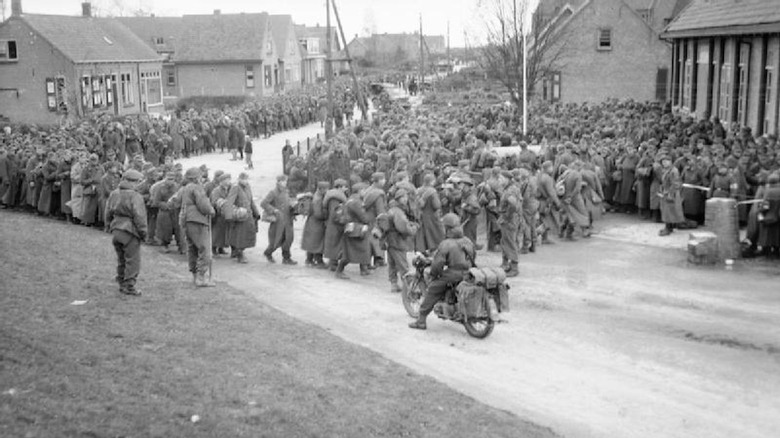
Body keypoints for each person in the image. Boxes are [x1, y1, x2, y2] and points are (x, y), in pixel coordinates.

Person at [408, 213, 475, 330]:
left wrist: (434, 275)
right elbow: (473, 256)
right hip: (468, 273)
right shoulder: (467, 241)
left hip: (453, 274)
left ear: (448, 229)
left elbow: (437, 265)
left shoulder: (446, 243)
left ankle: (421, 320)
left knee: (433, 289)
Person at [104, 169, 147, 296]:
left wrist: (108, 225)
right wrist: (144, 233)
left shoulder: (114, 193)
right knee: (133, 260)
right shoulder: (135, 196)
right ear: (132, 182)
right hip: (130, 230)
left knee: (121, 258)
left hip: (116, 228)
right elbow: (139, 217)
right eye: (138, 181)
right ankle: (129, 285)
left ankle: (121, 282)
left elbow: (107, 212)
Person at [180, 167, 216, 287]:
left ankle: (195, 276)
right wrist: (211, 210)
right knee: (204, 249)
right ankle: (201, 277)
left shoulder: (185, 188)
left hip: (187, 220)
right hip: (198, 220)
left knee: (192, 249)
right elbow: (203, 204)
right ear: (196, 178)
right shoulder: (197, 188)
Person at [384, 189, 418, 292]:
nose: (406, 199)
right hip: (398, 240)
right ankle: (409, 287)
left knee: (392, 263)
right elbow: (403, 228)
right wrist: (413, 229)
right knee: (403, 264)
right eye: (404, 197)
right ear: (400, 198)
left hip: (389, 240)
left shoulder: (392, 209)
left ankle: (394, 284)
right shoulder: (398, 212)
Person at [261, 174, 297, 265]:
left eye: (286, 181)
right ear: (279, 182)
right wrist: (273, 210)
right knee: (276, 240)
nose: (285, 183)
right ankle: (268, 253)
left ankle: (286, 258)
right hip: (278, 221)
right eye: (284, 181)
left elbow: (287, 203)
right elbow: (264, 203)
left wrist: (293, 207)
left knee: (288, 239)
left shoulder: (286, 191)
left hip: (288, 220)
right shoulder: (273, 192)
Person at [225, 172, 260, 263]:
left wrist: (256, 212)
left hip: (248, 215)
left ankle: (238, 251)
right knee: (240, 236)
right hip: (239, 215)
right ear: (239, 179)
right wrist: (229, 216)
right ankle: (239, 254)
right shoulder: (235, 188)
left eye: (247, 179)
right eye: (244, 179)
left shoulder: (248, 187)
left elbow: (251, 201)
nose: (246, 181)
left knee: (248, 234)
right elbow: (229, 202)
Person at [301, 181, 330, 268]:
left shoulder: (318, 196)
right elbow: (318, 214)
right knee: (317, 243)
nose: (327, 191)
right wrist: (326, 215)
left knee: (312, 242)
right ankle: (318, 261)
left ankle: (309, 260)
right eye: (326, 189)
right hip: (316, 224)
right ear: (321, 189)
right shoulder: (318, 199)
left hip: (313, 223)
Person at [658, 155, 685, 236]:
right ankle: (669, 227)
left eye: (666, 161)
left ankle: (668, 228)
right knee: (667, 211)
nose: (664, 163)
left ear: (670, 161)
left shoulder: (674, 171)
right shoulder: (666, 170)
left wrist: (670, 194)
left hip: (671, 193)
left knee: (669, 211)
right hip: (666, 192)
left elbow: (676, 184)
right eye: (663, 162)